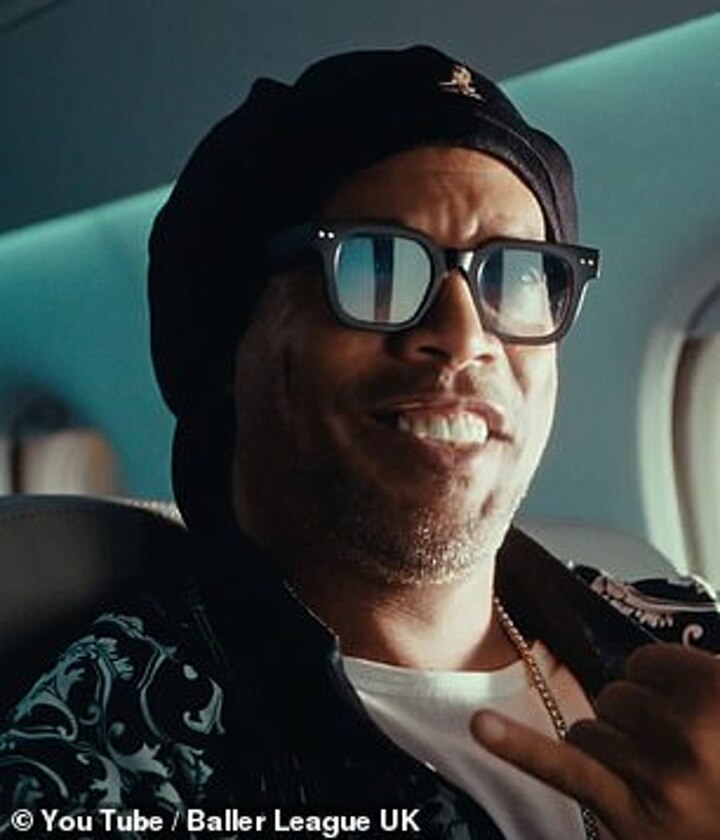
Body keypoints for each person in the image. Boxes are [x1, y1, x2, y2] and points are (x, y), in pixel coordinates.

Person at [1, 45, 719, 840]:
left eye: (514, 275)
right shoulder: (115, 749)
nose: (463, 336)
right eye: (377, 264)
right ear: (226, 342)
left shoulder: (690, 639)